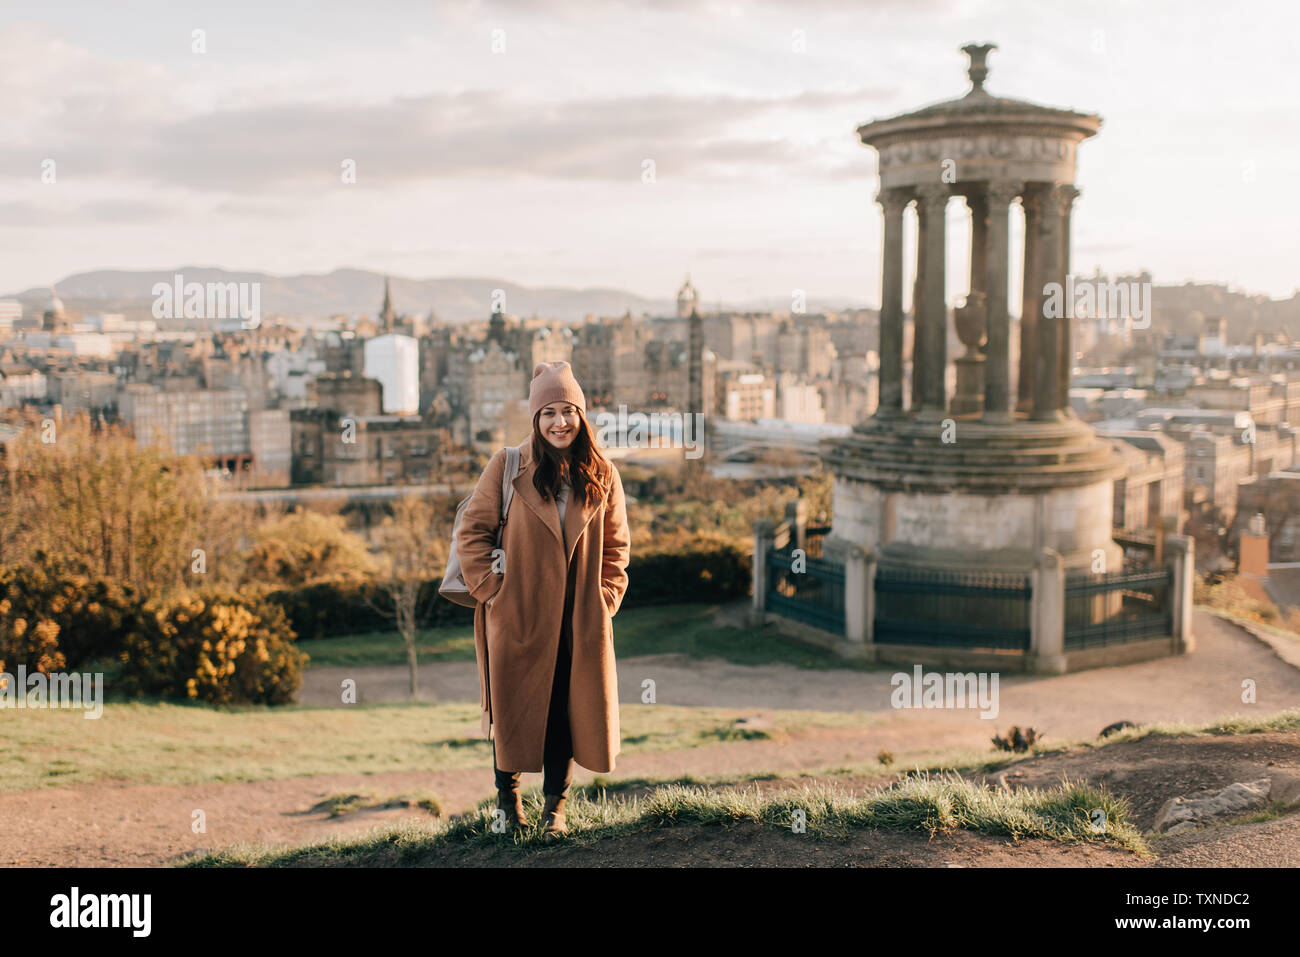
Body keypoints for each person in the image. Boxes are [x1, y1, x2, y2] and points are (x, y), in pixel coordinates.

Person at [456, 361, 631, 838]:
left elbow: (617, 549)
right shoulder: (507, 465)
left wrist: (605, 600)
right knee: (511, 710)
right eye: (548, 412)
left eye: (568, 411)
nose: (559, 422)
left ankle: (555, 810)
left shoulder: (603, 474)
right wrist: (494, 594)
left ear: (582, 415)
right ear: (535, 419)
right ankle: (507, 805)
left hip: (578, 620)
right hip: (518, 615)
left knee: (564, 713)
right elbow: (472, 533)